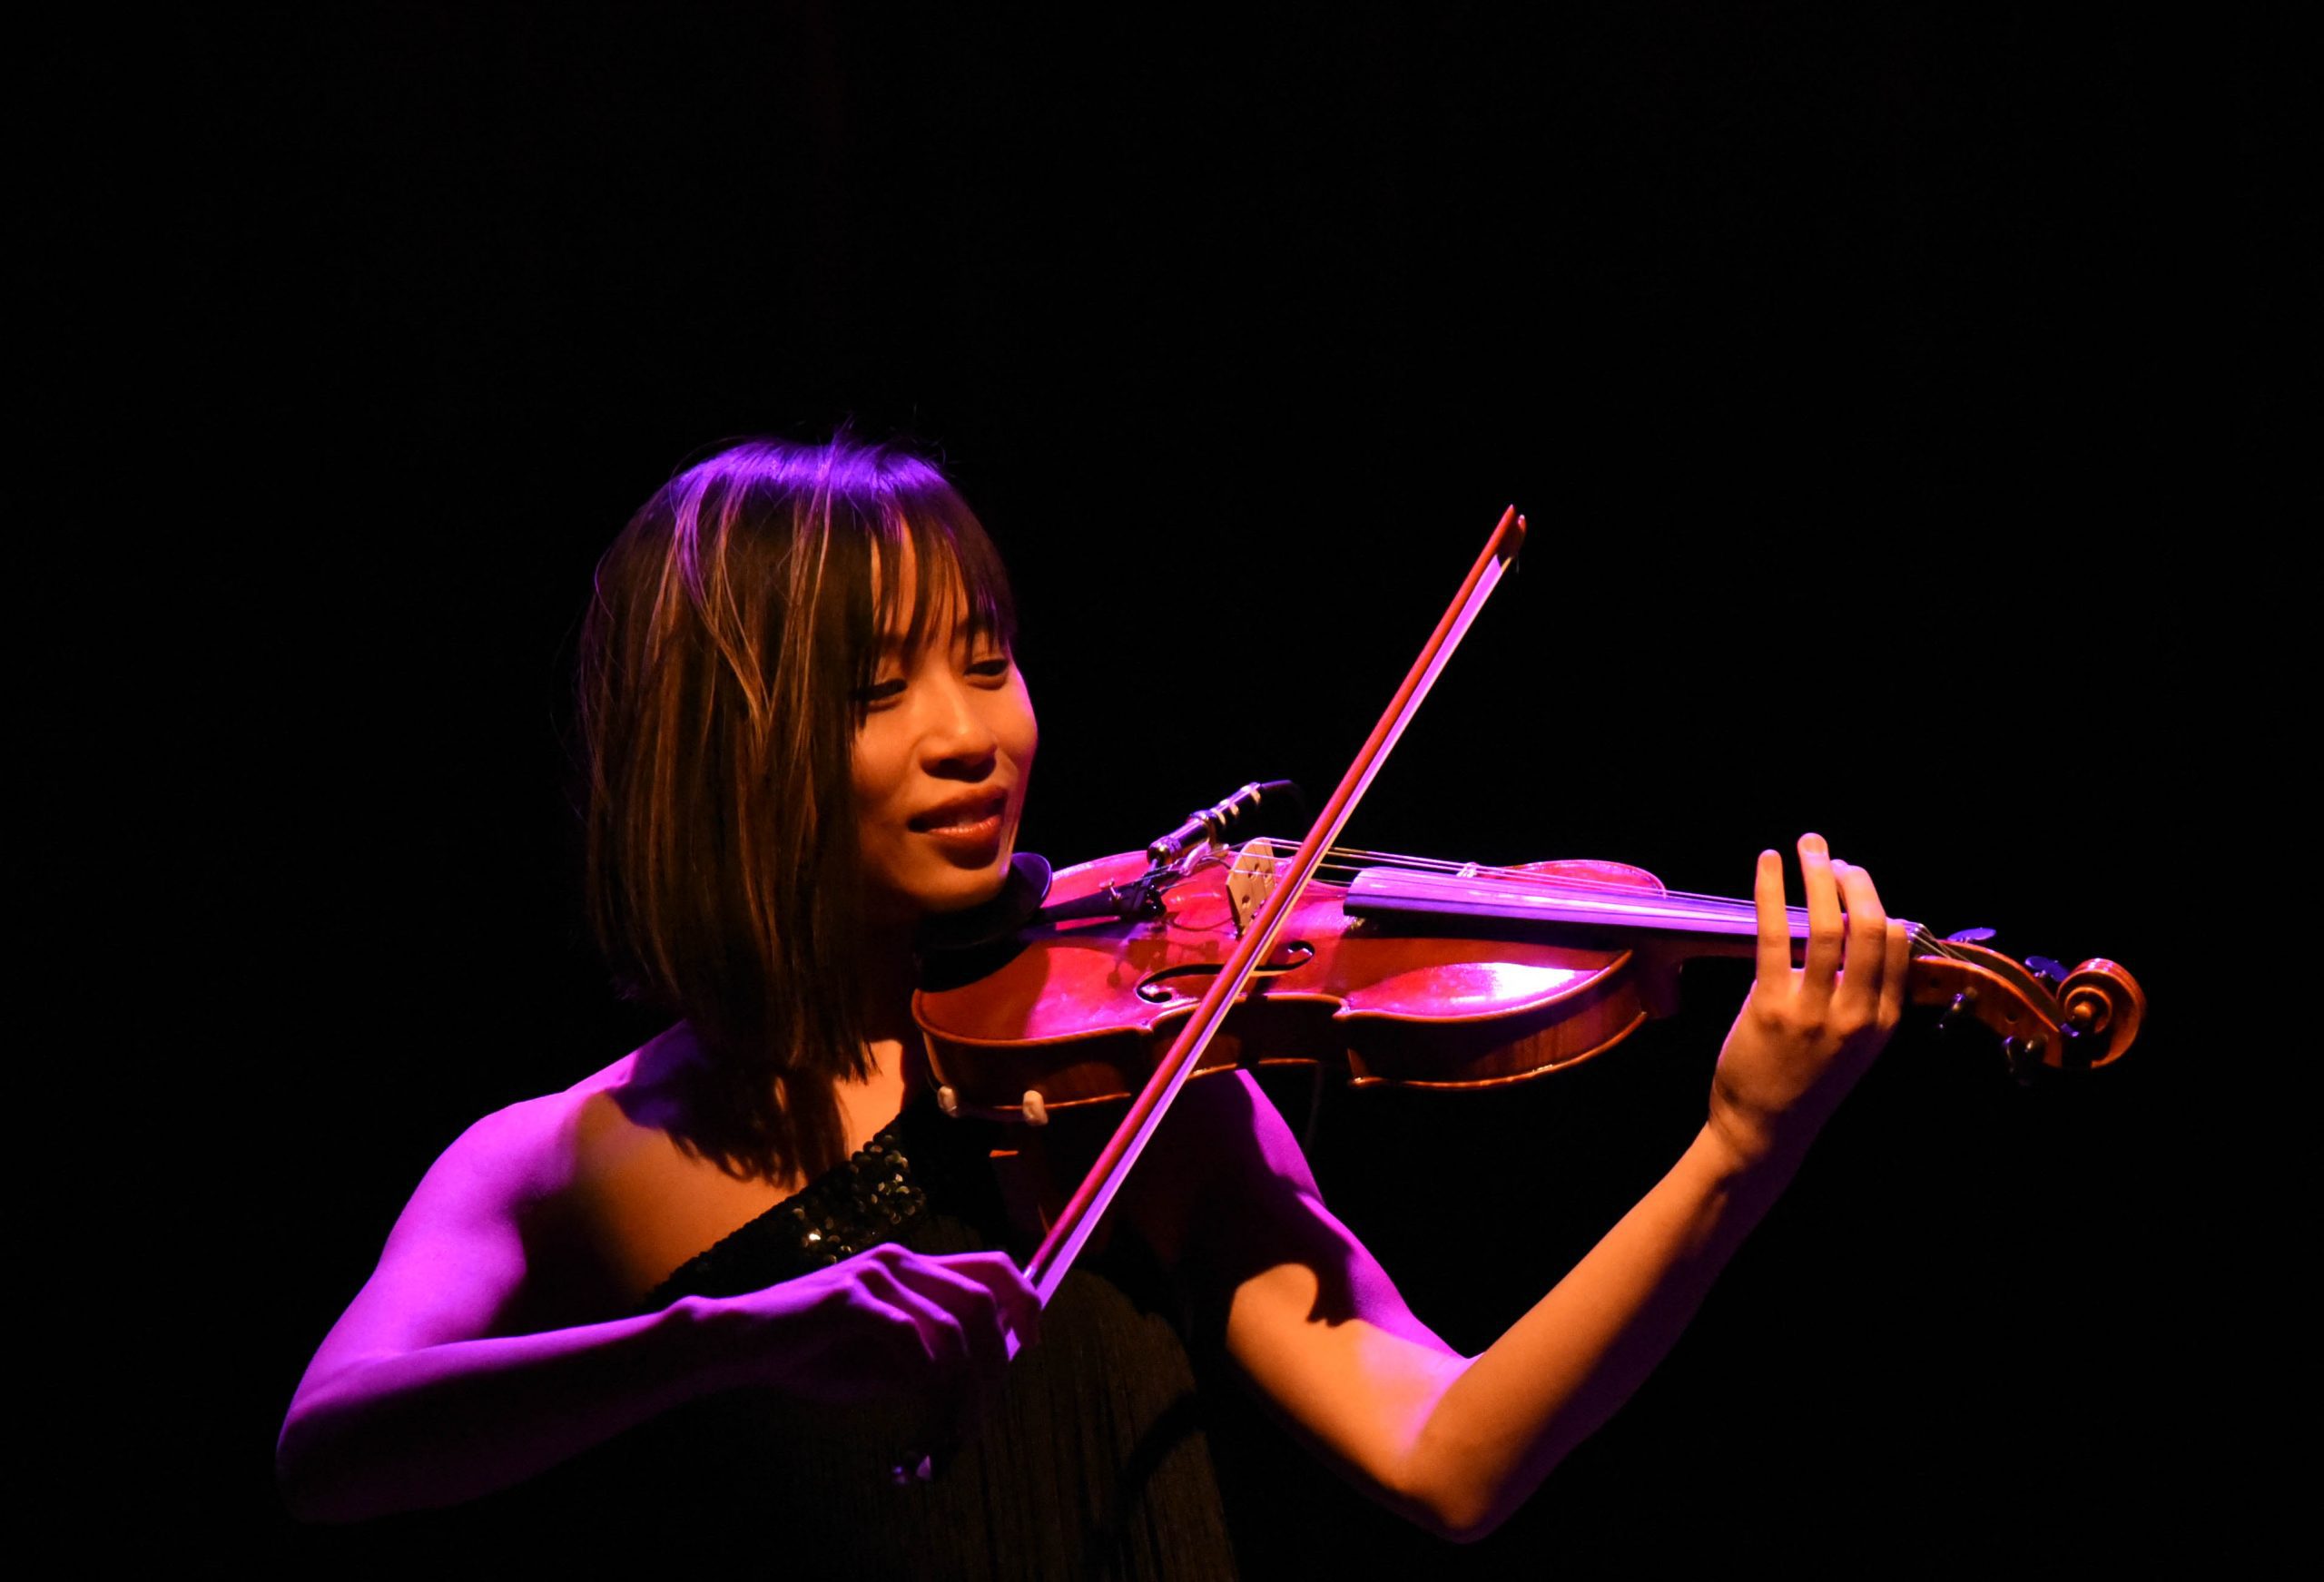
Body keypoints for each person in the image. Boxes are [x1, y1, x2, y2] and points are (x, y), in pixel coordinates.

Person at [277, 435, 1908, 1573]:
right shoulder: (563, 1157)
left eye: (987, 661)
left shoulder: (1148, 1087)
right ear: (723, 751)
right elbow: (334, 1444)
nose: (972, 734)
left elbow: (1452, 1455)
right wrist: (718, 1342)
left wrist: (1737, 1151)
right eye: (877, 691)